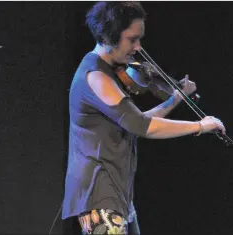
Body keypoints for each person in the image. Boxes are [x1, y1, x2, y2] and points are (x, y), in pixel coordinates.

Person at [62, 2, 226, 235]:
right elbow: (141, 126)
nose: (138, 47)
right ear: (110, 36)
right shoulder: (96, 76)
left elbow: (135, 120)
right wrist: (199, 126)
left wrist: (176, 99)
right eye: (132, 39)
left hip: (118, 193)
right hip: (99, 193)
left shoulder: (107, 71)